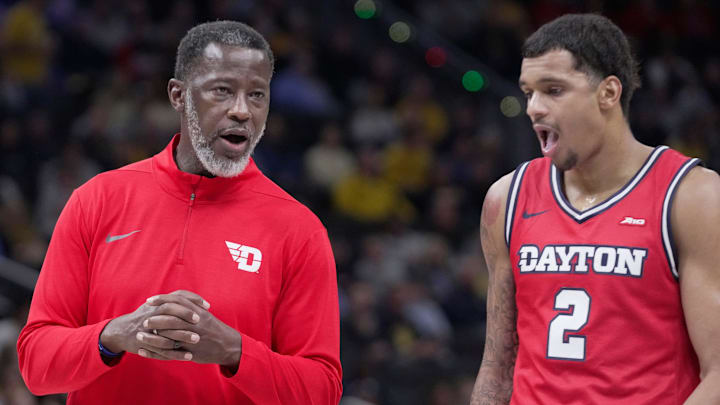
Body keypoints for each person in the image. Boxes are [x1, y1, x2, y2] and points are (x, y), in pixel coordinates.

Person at [16, 21, 342, 404]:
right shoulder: (97, 199)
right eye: (222, 90)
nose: (241, 111)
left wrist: (234, 351)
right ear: (178, 95)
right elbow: (36, 366)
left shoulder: (299, 229)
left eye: (257, 95)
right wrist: (113, 336)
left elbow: (321, 391)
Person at [470, 13, 720, 404]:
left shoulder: (692, 197)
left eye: (553, 90)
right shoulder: (507, 198)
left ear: (608, 93)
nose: (533, 108)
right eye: (528, 92)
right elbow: (497, 366)